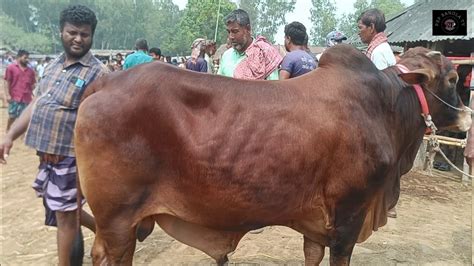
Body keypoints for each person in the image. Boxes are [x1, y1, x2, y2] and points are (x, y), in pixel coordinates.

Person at [0, 5, 108, 265]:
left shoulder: (99, 74)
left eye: (84, 34)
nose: (78, 39)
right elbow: (37, 103)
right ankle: (103, 229)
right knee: (62, 208)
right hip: (47, 156)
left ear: (92, 35)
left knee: (65, 217)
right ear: (61, 32)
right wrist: (9, 136)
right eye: (72, 32)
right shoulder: (53, 67)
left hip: (73, 158)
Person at [218, 9, 282, 80]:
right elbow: (219, 85)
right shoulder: (226, 56)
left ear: (248, 29)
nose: (231, 37)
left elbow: (272, 87)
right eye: (229, 32)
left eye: (235, 31)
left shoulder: (264, 53)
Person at [3, 49, 36, 131]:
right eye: (25, 58)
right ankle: (8, 129)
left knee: (24, 118)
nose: (27, 60)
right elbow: (7, 82)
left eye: (28, 58)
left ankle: (21, 134)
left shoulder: (31, 71)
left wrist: (32, 91)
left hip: (26, 98)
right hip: (15, 96)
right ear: (19, 57)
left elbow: (33, 84)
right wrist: (7, 95)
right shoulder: (11, 68)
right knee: (12, 116)